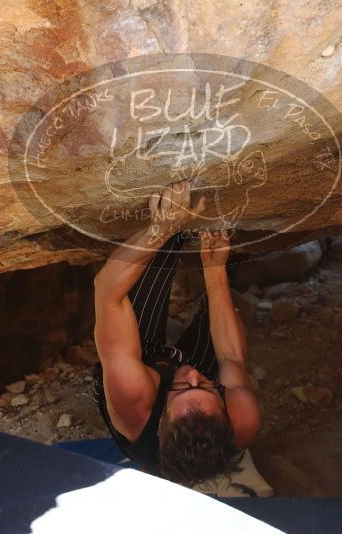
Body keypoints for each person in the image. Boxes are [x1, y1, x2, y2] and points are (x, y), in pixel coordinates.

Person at [91, 178, 262, 486]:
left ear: (161, 421)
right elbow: (231, 356)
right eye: (209, 389)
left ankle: (173, 231)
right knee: (231, 312)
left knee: (141, 271)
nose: (195, 375)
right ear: (226, 415)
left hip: (141, 370)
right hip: (175, 395)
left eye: (184, 389)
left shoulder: (134, 403)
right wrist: (214, 270)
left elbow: (106, 291)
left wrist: (163, 227)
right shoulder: (243, 418)